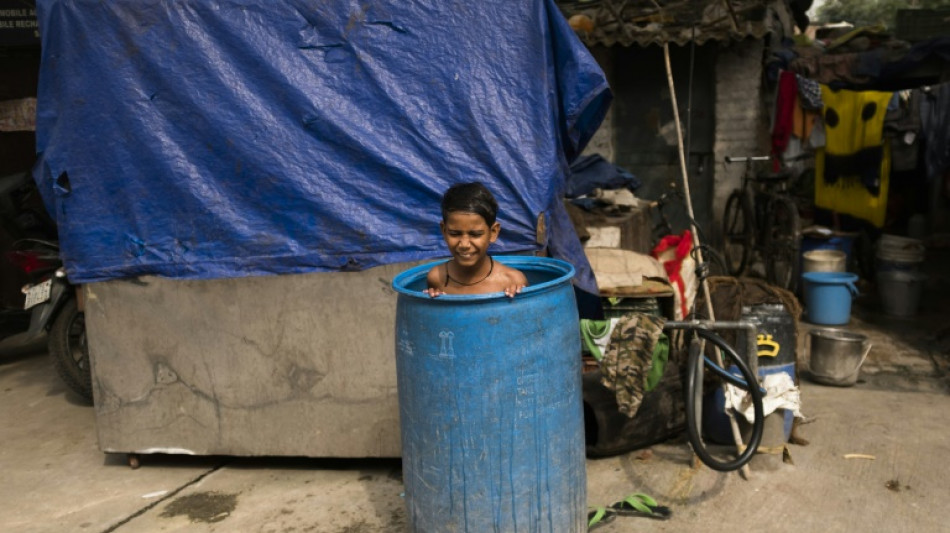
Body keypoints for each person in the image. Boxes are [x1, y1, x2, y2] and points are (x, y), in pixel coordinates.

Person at [425, 182, 528, 298]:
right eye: (455, 233)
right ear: (444, 230)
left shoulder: (512, 281)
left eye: (475, 234)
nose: (464, 244)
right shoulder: (437, 278)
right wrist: (431, 301)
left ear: (493, 232)